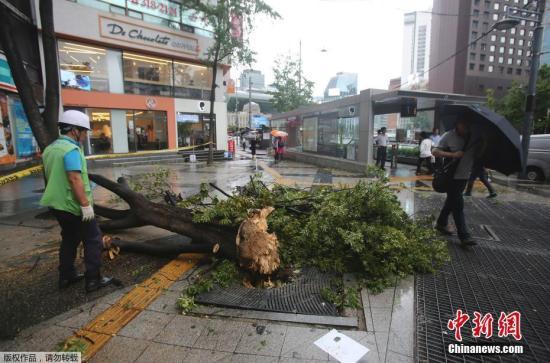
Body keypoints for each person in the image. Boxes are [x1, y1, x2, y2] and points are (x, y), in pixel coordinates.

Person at [40, 110, 114, 292]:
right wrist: (85, 206)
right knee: (93, 239)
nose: (85, 135)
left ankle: (66, 276)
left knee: (69, 239)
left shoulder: (50, 150)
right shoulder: (71, 150)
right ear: (74, 130)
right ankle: (93, 280)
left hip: (57, 205)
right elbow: (74, 178)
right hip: (74, 206)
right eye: (84, 131)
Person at [432, 119, 476, 247]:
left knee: (451, 201)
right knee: (458, 204)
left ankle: (441, 223)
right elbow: (435, 151)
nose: (466, 127)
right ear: (457, 124)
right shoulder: (449, 135)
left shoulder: (474, 137)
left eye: (468, 125)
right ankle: (464, 236)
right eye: (464, 124)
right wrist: (453, 154)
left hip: (464, 176)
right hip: (451, 176)